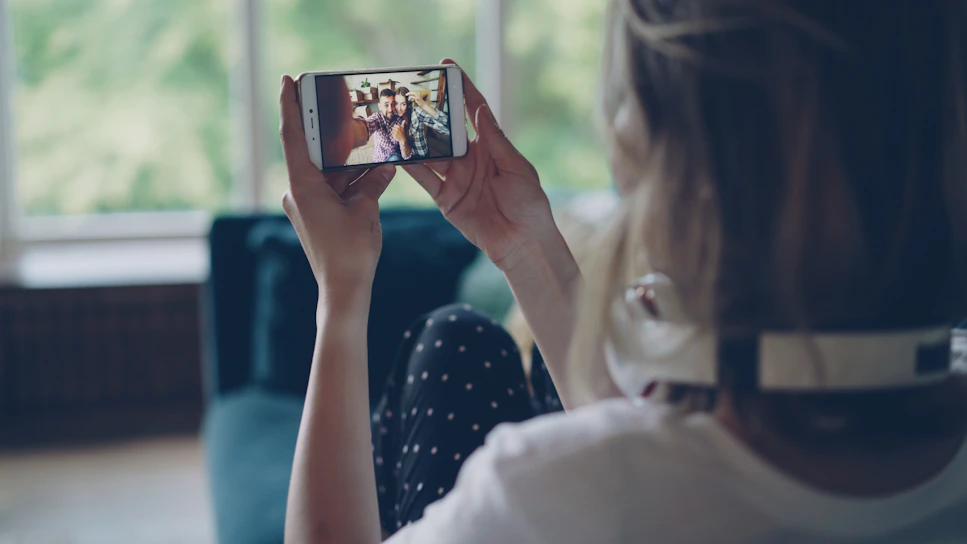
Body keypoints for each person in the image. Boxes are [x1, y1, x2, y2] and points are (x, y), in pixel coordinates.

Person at [277, 0, 967, 542]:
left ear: (685, 161)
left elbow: (633, 473)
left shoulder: (552, 488)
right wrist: (522, 243)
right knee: (459, 339)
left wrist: (340, 295)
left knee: (450, 342)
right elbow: (653, 448)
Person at [349, 88, 412, 163]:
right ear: (379, 106)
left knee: (396, 158)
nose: (390, 109)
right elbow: (367, 125)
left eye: (392, 104)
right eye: (386, 105)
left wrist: (403, 141)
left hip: (393, 159)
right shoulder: (377, 118)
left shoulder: (400, 122)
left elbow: (407, 157)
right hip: (377, 161)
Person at [395, 86, 451, 159]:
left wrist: (424, 105)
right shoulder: (396, 118)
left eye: (403, 104)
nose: (399, 108)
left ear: (408, 104)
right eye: (396, 103)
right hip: (408, 156)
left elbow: (446, 126)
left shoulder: (416, 113)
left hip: (421, 155)